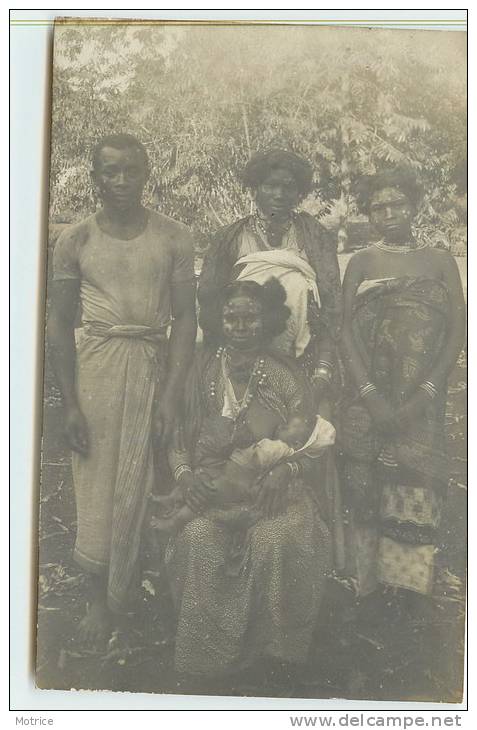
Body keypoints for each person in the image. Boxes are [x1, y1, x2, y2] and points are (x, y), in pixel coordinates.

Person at [48, 133, 197, 645]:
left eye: (130, 170)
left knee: (156, 477)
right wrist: (69, 404)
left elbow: (185, 318)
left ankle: (143, 589)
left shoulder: (175, 237)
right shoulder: (75, 240)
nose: (120, 181)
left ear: (146, 173)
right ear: (94, 176)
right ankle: (99, 599)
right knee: (98, 481)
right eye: (109, 171)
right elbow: (58, 325)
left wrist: (173, 395)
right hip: (99, 371)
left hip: (155, 365)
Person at [164, 279, 339, 678]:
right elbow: (178, 438)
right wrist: (186, 476)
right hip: (210, 494)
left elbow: (310, 440)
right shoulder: (201, 369)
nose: (241, 326)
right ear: (218, 320)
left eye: (250, 318)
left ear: (268, 321)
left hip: (274, 494)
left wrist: (286, 469)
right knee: (197, 539)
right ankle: (207, 659)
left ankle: (273, 658)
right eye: (231, 318)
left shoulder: (284, 374)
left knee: (274, 540)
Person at [339, 167, 465, 606]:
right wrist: (370, 396)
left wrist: (427, 392)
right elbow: (344, 332)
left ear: (414, 206)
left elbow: (458, 331)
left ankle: (409, 585)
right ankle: (366, 586)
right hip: (367, 394)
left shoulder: (440, 260)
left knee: (415, 479)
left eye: (396, 204)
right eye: (378, 208)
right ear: (368, 214)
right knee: (365, 481)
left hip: (422, 397)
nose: (388, 214)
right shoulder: (361, 262)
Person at [198, 148, 342, 414]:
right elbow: (209, 302)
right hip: (240, 359)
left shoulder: (312, 235)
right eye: (270, 186)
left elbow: (332, 302)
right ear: (255, 189)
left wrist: (323, 369)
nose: (279, 194)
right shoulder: (230, 238)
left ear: (299, 193)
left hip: (304, 357)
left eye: (288, 187)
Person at [150, 412, 336, 534]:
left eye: (286, 427)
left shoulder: (280, 449)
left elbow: (256, 459)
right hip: (228, 472)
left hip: (235, 484)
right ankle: (171, 499)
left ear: (296, 444)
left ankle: (176, 522)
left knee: (206, 492)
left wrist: (244, 443)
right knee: (202, 479)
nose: (280, 426)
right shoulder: (278, 445)